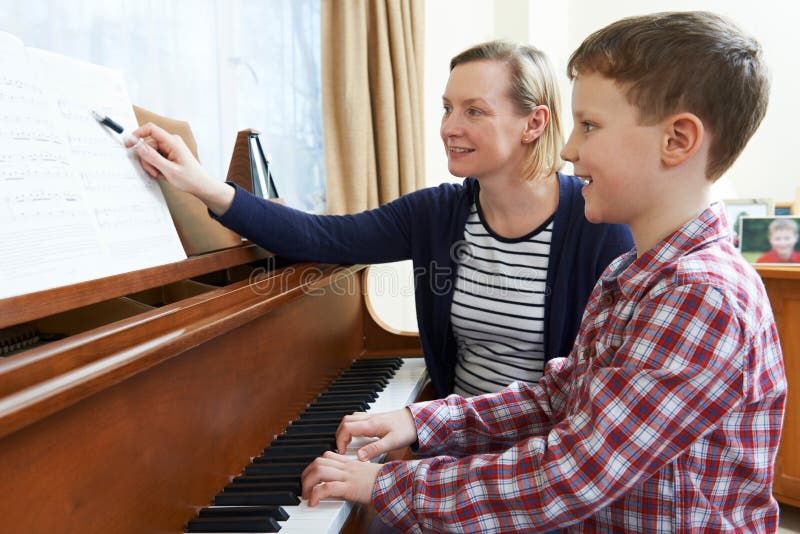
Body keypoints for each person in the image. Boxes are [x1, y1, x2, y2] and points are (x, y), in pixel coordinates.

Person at [299, 11, 787, 532]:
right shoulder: (631, 273)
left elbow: (573, 475)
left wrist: (385, 484)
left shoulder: (700, 295)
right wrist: (420, 420)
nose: (570, 148)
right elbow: (558, 397)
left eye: (590, 126)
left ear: (678, 140)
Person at [131, 41, 633, 397]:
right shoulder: (437, 212)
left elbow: (595, 394)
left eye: (474, 111)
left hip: (539, 463)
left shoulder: (597, 223)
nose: (448, 128)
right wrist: (199, 183)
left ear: (534, 122)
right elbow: (322, 237)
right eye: (446, 108)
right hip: (452, 441)